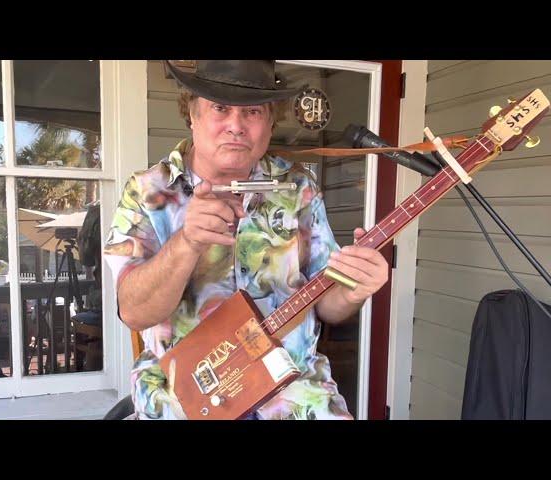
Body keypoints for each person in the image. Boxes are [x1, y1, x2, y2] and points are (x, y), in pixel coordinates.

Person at [104, 60, 388, 420]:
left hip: (293, 388)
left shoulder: (298, 187)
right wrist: (186, 242)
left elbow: (327, 302)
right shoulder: (147, 193)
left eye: (252, 111)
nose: (236, 126)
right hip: (185, 394)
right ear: (192, 113)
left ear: (270, 122)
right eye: (220, 108)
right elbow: (134, 311)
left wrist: (354, 290)